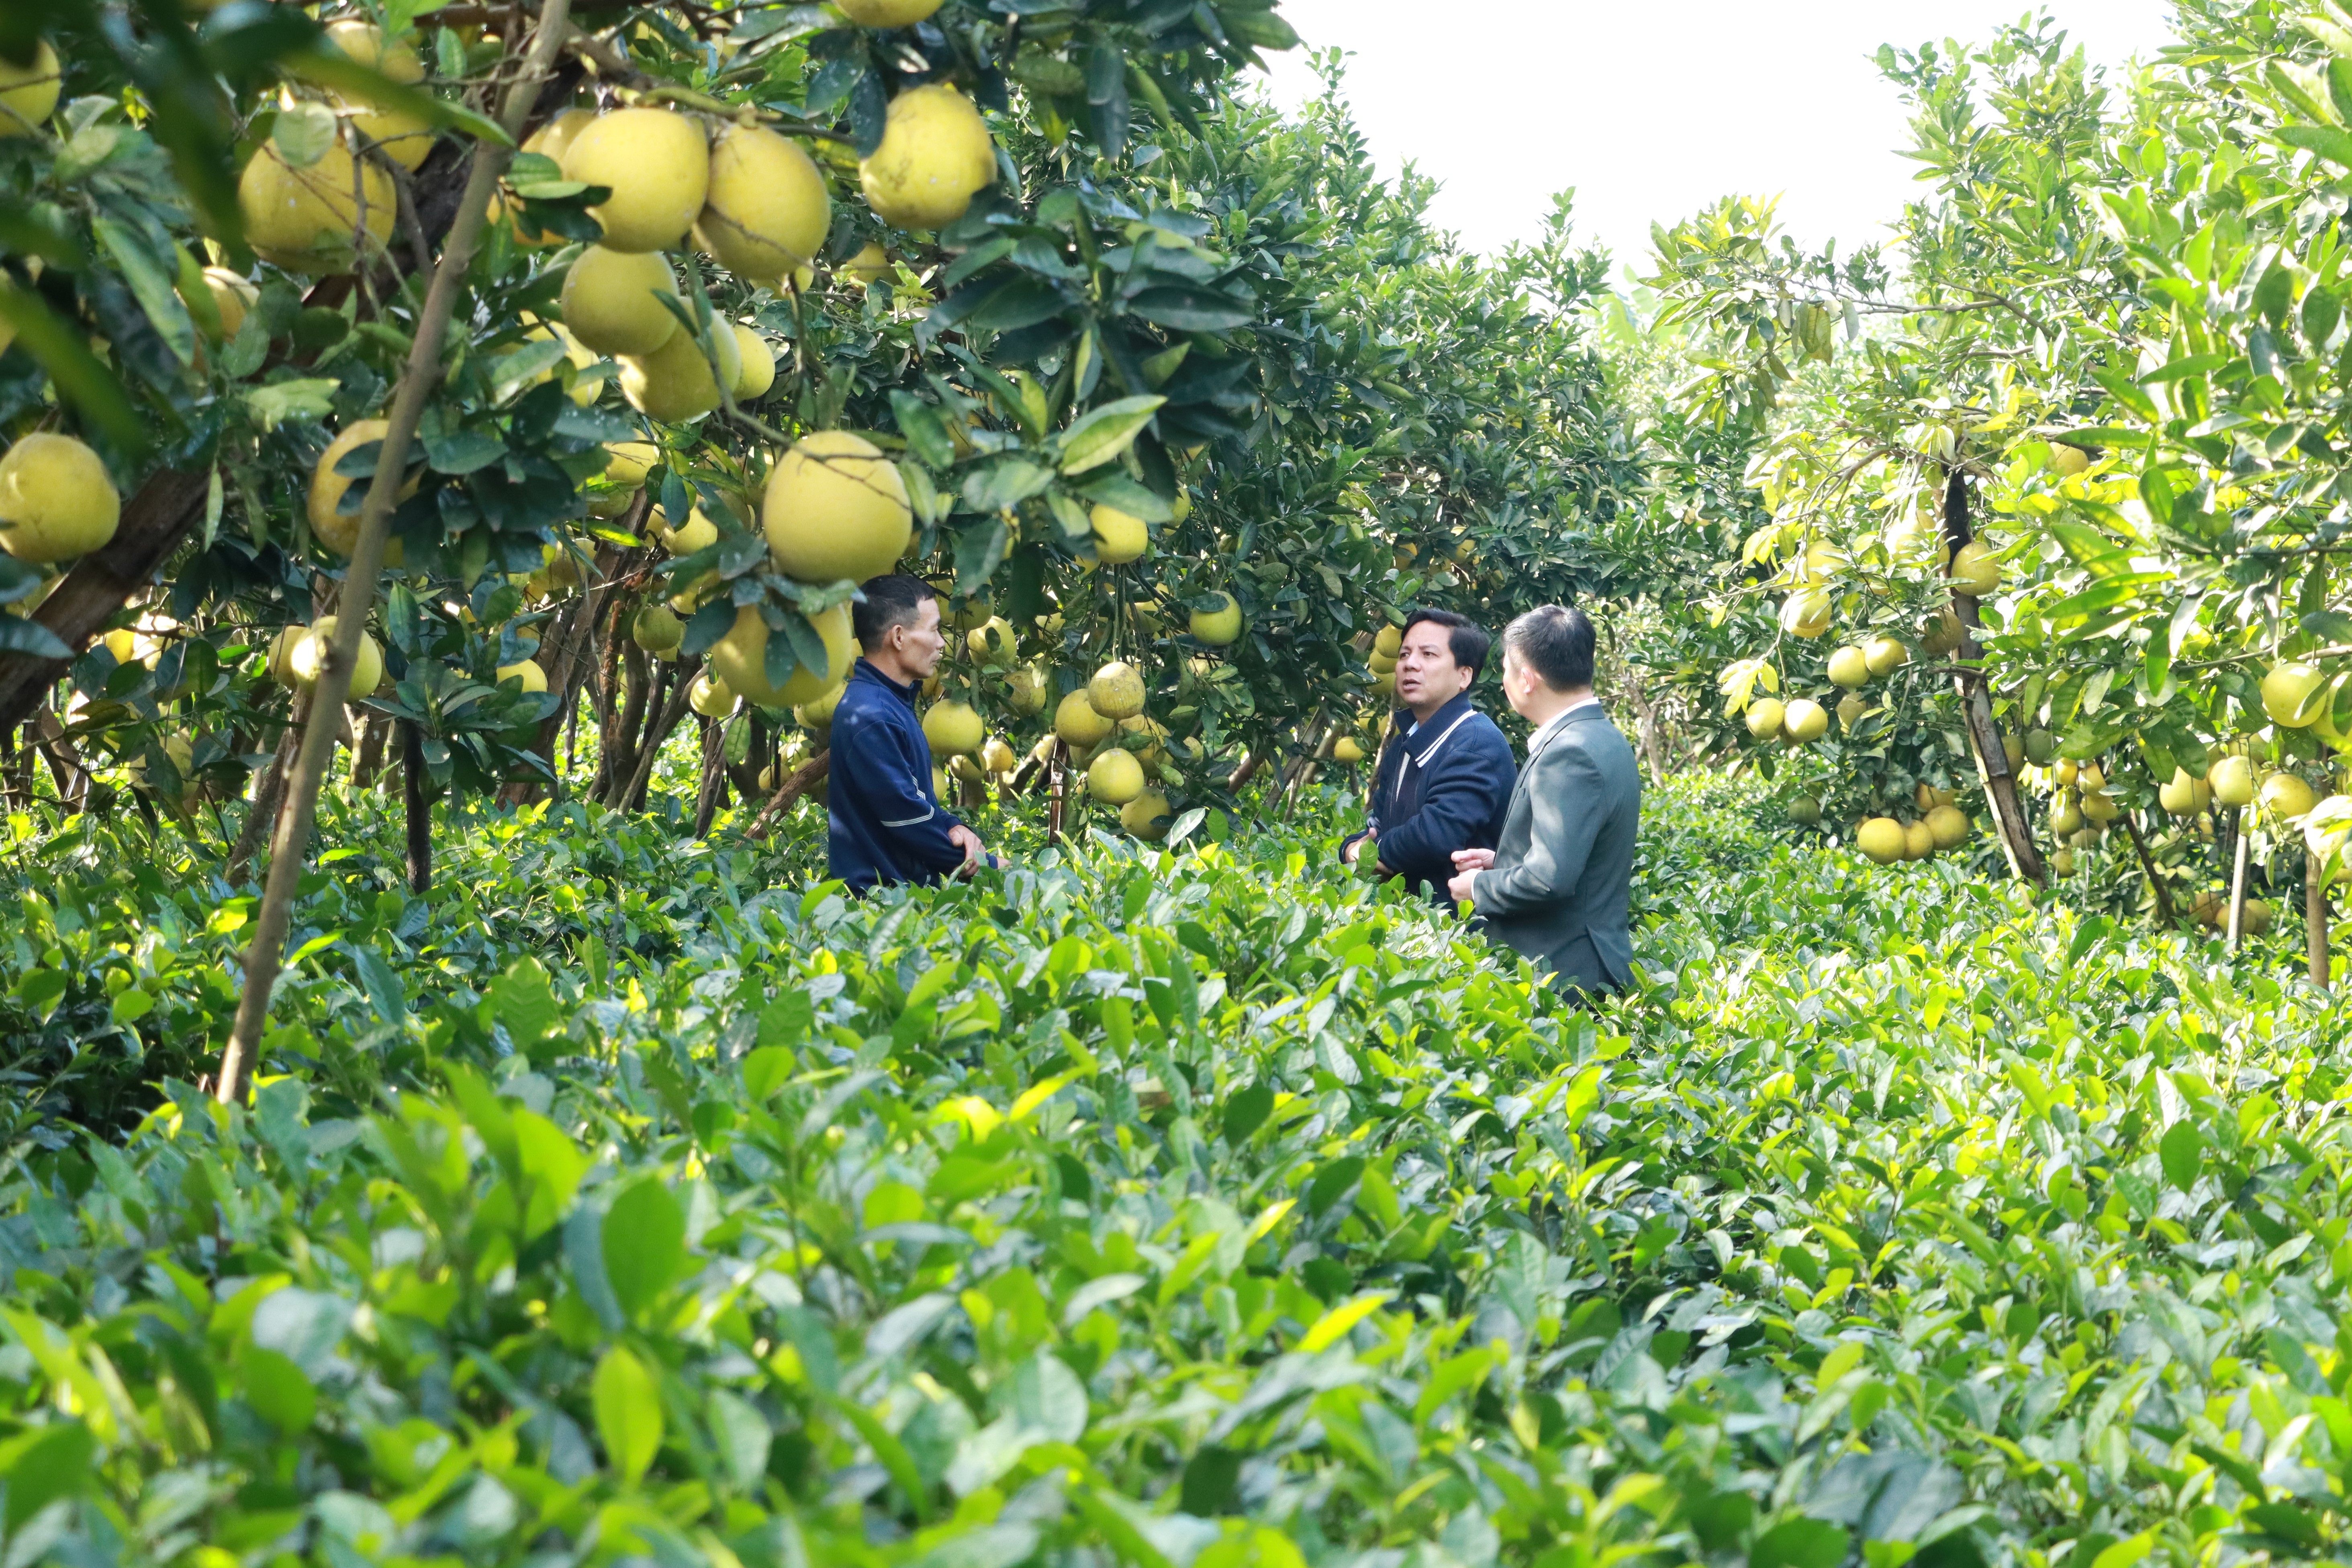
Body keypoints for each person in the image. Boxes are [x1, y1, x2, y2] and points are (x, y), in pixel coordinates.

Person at [1446, 605, 1639, 994]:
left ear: (1527, 679)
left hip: (1562, 975)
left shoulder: (1569, 754)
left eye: (1504, 669)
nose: (1503, 681)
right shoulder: (1604, 737)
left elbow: (1548, 881)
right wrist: (1501, 862)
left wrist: (1477, 888)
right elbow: (1576, 856)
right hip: (1583, 963)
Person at [828, 574, 1001, 893]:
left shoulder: (890, 703)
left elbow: (915, 802)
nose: (940, 643)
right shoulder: (872, 716)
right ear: (898, 637)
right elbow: (908, 821)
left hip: (901, 901)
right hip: (877, 906)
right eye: (934, 629)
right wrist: (990, 867)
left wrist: (953, 826)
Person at [1341, 609, 1516, 902]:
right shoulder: (1404, 744)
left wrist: (1366, 853)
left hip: (1459, 936)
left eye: (1428, 655)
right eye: (1404, 654)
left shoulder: (1475, 743)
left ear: (1464, 676)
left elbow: (1433, 836)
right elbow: (1377, 825)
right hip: (1407, 927)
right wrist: (1350, 848)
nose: (1411, 664)